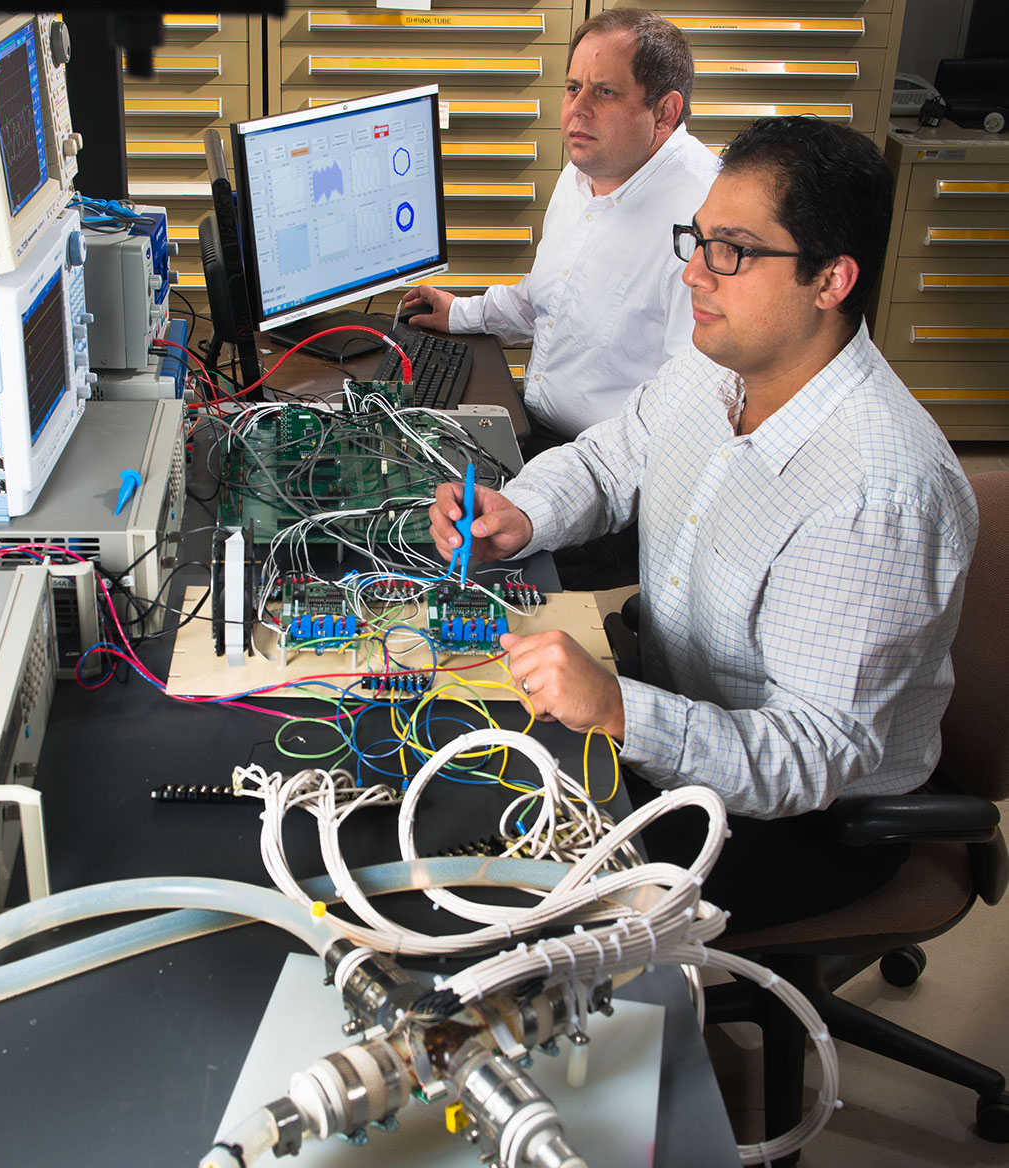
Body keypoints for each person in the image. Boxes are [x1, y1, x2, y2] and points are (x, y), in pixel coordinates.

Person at [427, 116, 979, 931]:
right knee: (461, 773)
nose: (694, 275)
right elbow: (614, 458)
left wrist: (619, 710)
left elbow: (810, 756)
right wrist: (523, 510)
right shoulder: (716, 362)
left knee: (511, 900)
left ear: (831, 280)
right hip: (681, 710)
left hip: (801, 821)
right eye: (699, 239)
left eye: (734, 250)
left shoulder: (878, 495)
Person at [402, 8, 719, 448]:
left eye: (605, 92)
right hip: (538, 427)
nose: (577, 110)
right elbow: (550, 298)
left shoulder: (707, 222)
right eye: (573, 88)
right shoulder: (583, 173)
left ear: (665, 112)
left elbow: (686, 411)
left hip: (608, 470)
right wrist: (461, 313)